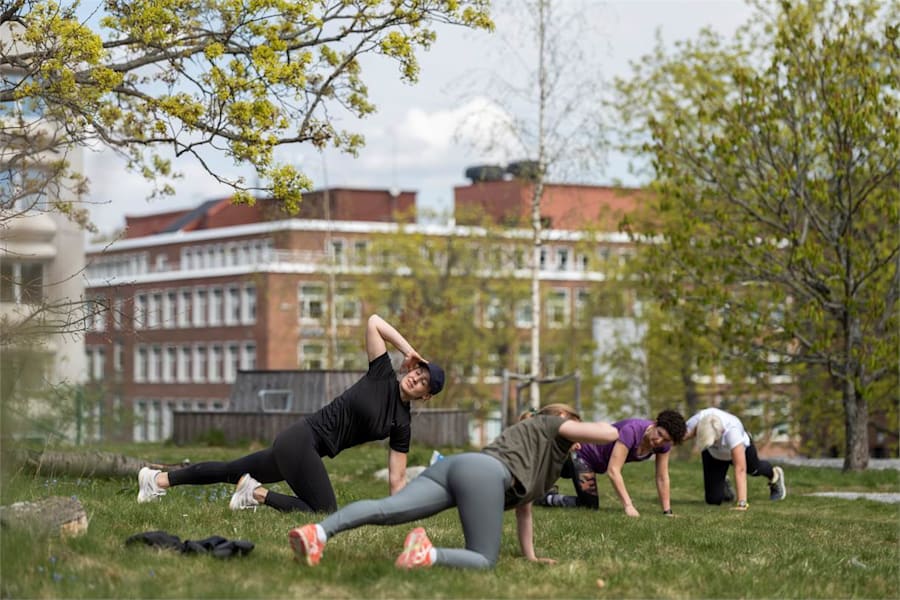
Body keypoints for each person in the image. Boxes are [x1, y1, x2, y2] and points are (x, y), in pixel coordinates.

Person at [136, 314, 445, 513]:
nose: (417, 377)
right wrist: (408, 351)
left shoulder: (402, 424)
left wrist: (400, 514)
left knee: (229, 469)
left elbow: (397, 478)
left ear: (426, 396)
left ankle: (156, 481)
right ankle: (254, 494)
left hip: (306, 450)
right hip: (302, 440)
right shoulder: (381, 373)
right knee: (324, 512)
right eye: (420, 371)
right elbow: (375, 322)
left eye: (424, 382)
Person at [287, 404, 619, 570]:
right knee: (484, 559)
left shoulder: (540, 458)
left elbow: (524, 512)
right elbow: (610, 434)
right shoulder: (548, 425)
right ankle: (425, 554)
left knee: (388, 510)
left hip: (456, 467)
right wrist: (592, 425)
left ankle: (318, 533)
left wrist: (530, 557)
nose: (578, 442)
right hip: (485, 474)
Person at [537, 410, 687, 517]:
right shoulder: (632, 431)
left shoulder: (663, 446)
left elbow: (662, 477)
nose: (659, 441)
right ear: (654, 424)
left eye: (666, 440)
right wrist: (628, 506)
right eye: (659, 434)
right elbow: (614, 470)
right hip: (582, 455)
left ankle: (542, 482)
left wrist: (667, 512)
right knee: (589, 505)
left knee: (560, 476)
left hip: (595, 465)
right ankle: (545, 498)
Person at [683, 407, 786, 510]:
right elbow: (679, 436)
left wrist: (742, 503)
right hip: (714, 455)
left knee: (754, 469)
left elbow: (740, 469)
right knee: (713, 500)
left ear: (721, 432)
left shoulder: (732, 432)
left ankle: (775, 475)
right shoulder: (698, 419)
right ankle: (723, 482)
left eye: (714, 441)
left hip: (742, 450)